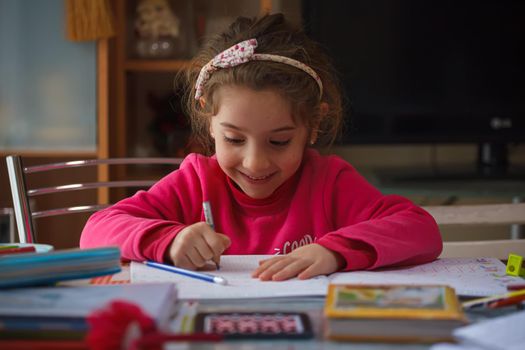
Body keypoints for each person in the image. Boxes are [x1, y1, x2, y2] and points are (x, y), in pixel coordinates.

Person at [80, 14, 442, 281]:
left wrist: (333, 251)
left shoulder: (328, 181)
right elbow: (95, 231)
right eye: (234, 139)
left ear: (313, 125)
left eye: (280, 141)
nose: (255, 162)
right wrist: (170, 240)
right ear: (208, 120)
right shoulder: (196, 180)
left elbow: (421, 229)